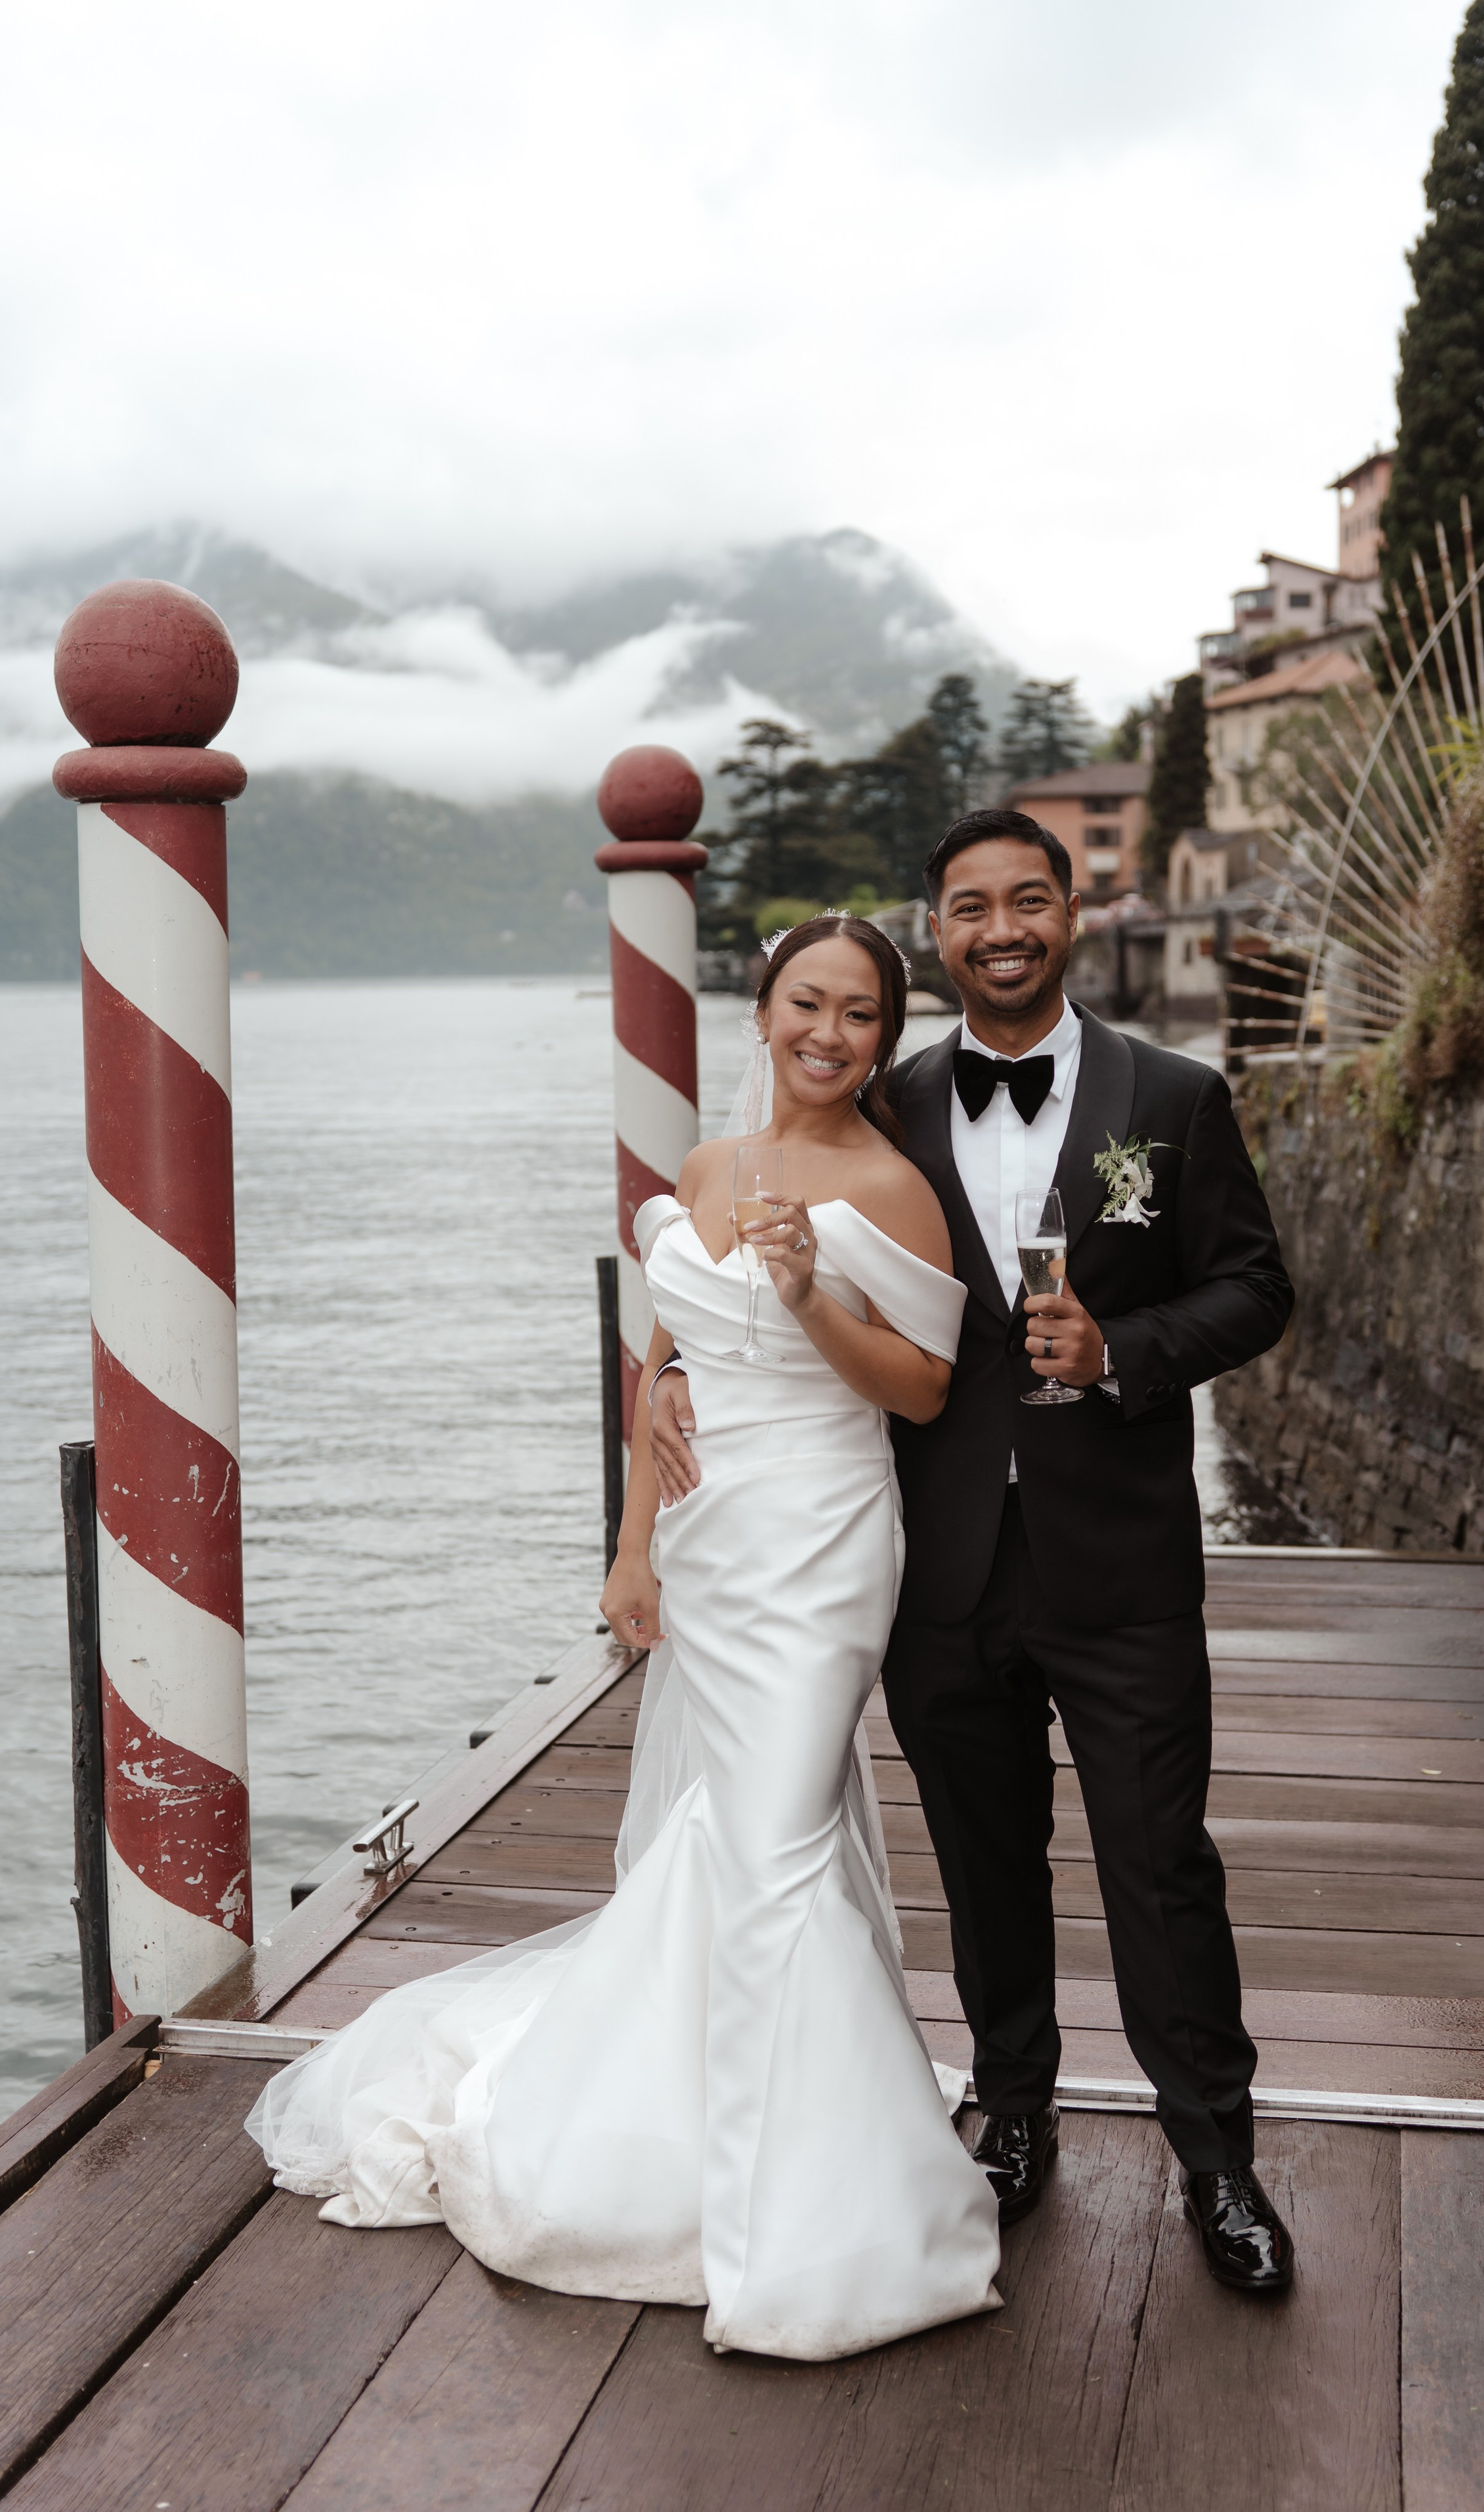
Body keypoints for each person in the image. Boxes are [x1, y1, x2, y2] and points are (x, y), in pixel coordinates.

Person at [247, 913, 1002, 2364]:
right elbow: (667, 1359)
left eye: (857, 1014)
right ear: (763, 1013)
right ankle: (683, 2119)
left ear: (883, 1038)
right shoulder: (712, 1171)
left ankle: (817, 2212)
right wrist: (632, 1545)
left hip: (822, 1542)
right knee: (729, 1837)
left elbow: (915, 1393)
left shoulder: (890, 1190)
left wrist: (801, 1293)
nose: (826, 1034)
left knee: (777, 1844)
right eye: (804, 1004)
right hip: (712, 1551)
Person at [651, 811, 1298, 2295]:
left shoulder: (1175, 1096)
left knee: (1159, 1864)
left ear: (1070, 913)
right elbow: (764, 1282)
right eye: (967, 909)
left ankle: (1218, 2162)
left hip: (1120, 1560)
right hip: (929, 1559)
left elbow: (1254, 1288)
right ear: (935, 934)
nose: (998, 930)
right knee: (982, 1860)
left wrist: (1125, 1346)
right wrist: (684, 1374)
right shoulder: (890, 1105)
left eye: (1026, 902)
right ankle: (1011, 2115)